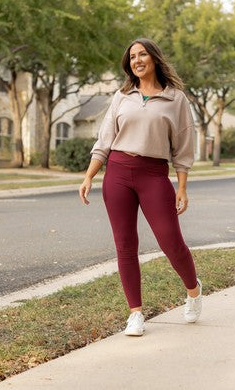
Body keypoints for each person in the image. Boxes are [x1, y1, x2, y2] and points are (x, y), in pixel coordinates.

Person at [78, 38, 202, 336]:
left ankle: (194, 290)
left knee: (170, 240)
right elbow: (105, 139)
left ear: (154, 58)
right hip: (118, 172)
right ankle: (135, 313)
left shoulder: (176, 99)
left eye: (142, 54)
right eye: (132, 57)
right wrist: (89, 175)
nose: (137, 60)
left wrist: (182, 187)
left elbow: (184, 148)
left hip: (154, 174)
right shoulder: (122, 96)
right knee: (125, 244)